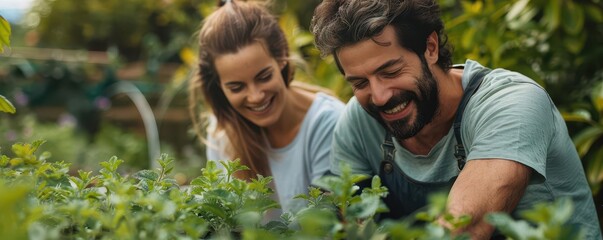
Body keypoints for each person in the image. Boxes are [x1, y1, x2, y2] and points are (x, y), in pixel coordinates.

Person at [310, 0, 602, 239]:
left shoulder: (510, 102)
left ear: (431, 48)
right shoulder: (359, 122)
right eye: (360, 83)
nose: (380, 96)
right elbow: (344, 223)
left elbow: (463, 228)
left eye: (391, 72)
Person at [188, 0, 345, 216]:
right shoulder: (222, 131)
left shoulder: (328, 123)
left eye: (264, 77)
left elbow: (326, 225)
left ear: (281, 58)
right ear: (219, 87)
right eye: (236, 87)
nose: (255, 96)